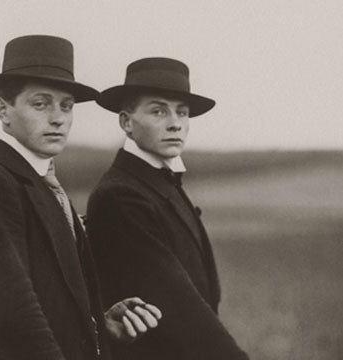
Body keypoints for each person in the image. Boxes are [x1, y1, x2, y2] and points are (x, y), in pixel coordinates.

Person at [0, 35, 162, 360]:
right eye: (41, 103)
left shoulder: (46, 187)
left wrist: (98, 325)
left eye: (67, 105)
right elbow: (14, 317)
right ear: (4, 110)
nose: (58, 118)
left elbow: (52, 297)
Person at [86, 57, 249, 360]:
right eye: (158, 110)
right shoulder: (121, 195)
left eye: (182, 112)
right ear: (126, 122)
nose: (175, 123)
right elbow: (178, 305)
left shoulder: (161, 182)